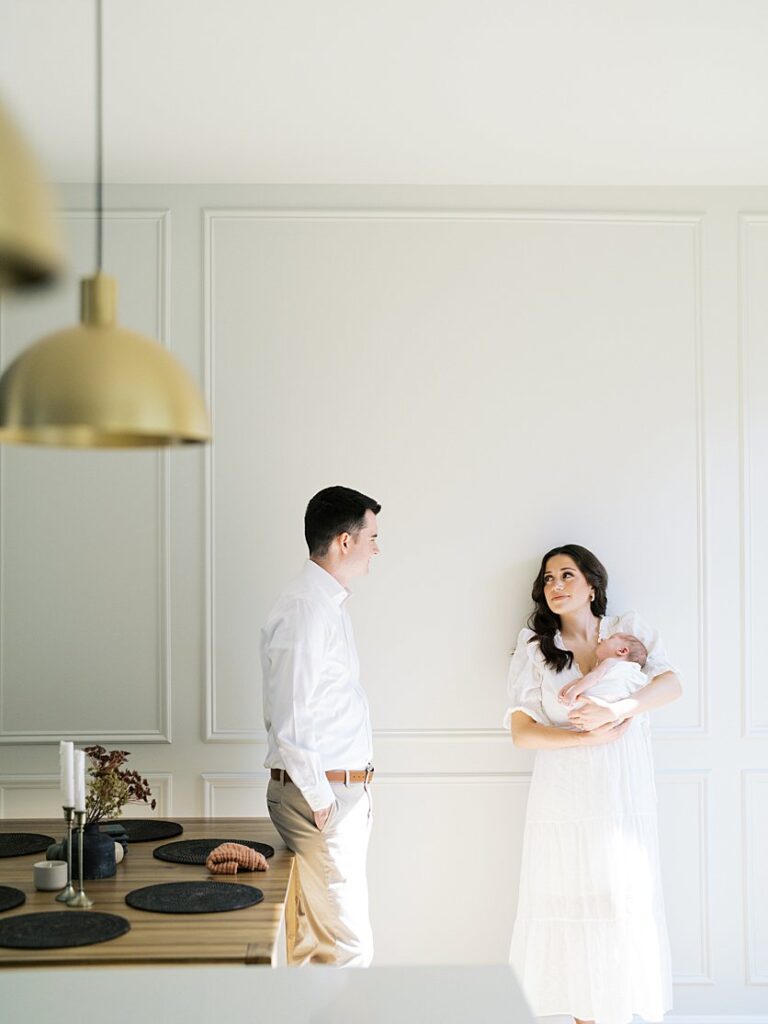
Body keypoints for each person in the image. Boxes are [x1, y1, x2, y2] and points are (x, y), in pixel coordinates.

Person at [505, 544, 682, 1024]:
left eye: (567, 575)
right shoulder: (535, 648)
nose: (556, 586)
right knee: (571, 905)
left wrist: (617, 710)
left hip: (622, 793)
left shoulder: (628, 633)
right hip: (563, 796)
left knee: (619, 908)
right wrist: (583, 739)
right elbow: (522, 732)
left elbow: (671, 686)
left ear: (592, 584)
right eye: (547, 579)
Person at [262, 485, 380, 967]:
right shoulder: (306, 609)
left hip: (339, 798)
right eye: (372, 536)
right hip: (323, 802)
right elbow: (291, 718)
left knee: (323, 947)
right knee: (346, 949)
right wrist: (323, 799)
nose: (377, 548)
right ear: (344, 542)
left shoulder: (326, 606)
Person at [558, 632, 649, 710]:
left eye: (610, 638)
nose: (602, 639)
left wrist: (573, 692)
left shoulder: (611, 662)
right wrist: (569, 686)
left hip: (602, 702)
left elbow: (593, 677)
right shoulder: (630, 672)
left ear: (622, 650)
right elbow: (587, 679)